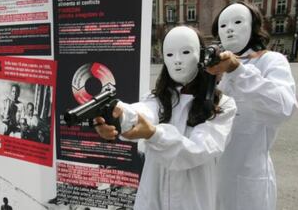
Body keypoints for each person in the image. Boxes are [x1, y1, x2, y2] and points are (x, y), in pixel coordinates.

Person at [94, 26, 237, 210]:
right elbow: (143, 111)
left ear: (202, 55)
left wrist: (154, 134)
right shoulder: (157, 98)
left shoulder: (223, 105)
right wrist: (119, 115)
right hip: (153, 198)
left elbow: (198, 150)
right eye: (169, 55)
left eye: (185, 52)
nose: (177, 61)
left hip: (193, 200)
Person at [207, 2, 298, 210]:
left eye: (237, 22)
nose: (229, 28)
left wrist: (238, 71)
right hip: (211, 179)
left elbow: (284, 108)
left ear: (253, 26)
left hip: (248, 178)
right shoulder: (212, 69)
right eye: (223, 25)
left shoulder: (270, 61)